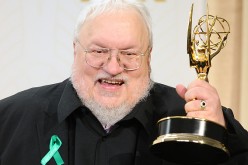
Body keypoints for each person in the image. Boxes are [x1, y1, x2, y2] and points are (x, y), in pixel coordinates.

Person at [0, 0, 248, 165]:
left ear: (149, 56)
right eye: (98, 52)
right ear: (75, 50)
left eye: (129, 54)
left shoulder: (187, 116)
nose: (113, 67)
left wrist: (223, 132)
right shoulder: (12, 118)